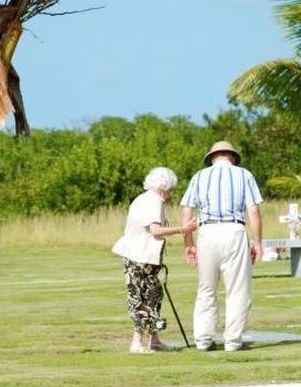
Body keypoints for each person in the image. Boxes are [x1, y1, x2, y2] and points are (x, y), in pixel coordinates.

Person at [180, 140, 264, 352]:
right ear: (232, 157)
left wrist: (188, 243)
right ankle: (233, 341)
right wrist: (258, 242)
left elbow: (187, 213)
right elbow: (253, 211)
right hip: (233, 230)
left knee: (206, 288)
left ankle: (203, 340)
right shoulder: (244, 174)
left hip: (207, 232)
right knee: (237, 289)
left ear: (212, 158)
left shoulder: (199, 176)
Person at [112, 167, 198, 353]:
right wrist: (184, 229)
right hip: (139, 258)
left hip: (144, 259)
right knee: (140, 299)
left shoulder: (143, 198)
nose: (171, 193)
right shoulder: (153, 201)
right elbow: (155, 231)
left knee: (154, 296)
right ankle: (137, 342)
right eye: (171, 188)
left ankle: (154, 340)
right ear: (163, 186)